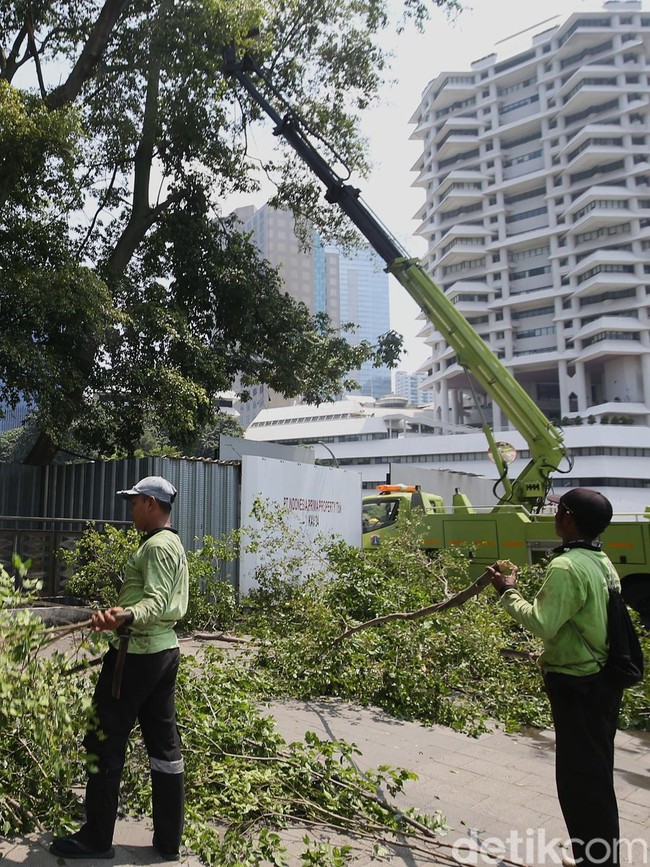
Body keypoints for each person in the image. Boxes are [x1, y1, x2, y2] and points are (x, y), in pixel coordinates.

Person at [50, 476, 189, 862]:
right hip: (163, 653)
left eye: (133, 503)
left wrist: (123, 616)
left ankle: (96, 840)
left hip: (137, 656)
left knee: (104, 742)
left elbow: (156, 603)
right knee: (164, 747)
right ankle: (168, 841)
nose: (130, 511)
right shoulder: (171, 543)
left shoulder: (158, 546)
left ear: (150, 503)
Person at [489, 487, 623, 867]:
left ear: (567, 518)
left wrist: (508, 591)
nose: (554, 516)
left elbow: (542, 623)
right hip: (601, 680)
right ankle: (596, 858)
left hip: (577, 685)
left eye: (557, 511)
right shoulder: (600, 561)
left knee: (579, 782)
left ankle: (595, 862)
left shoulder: (565, 566)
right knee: (596, 776)